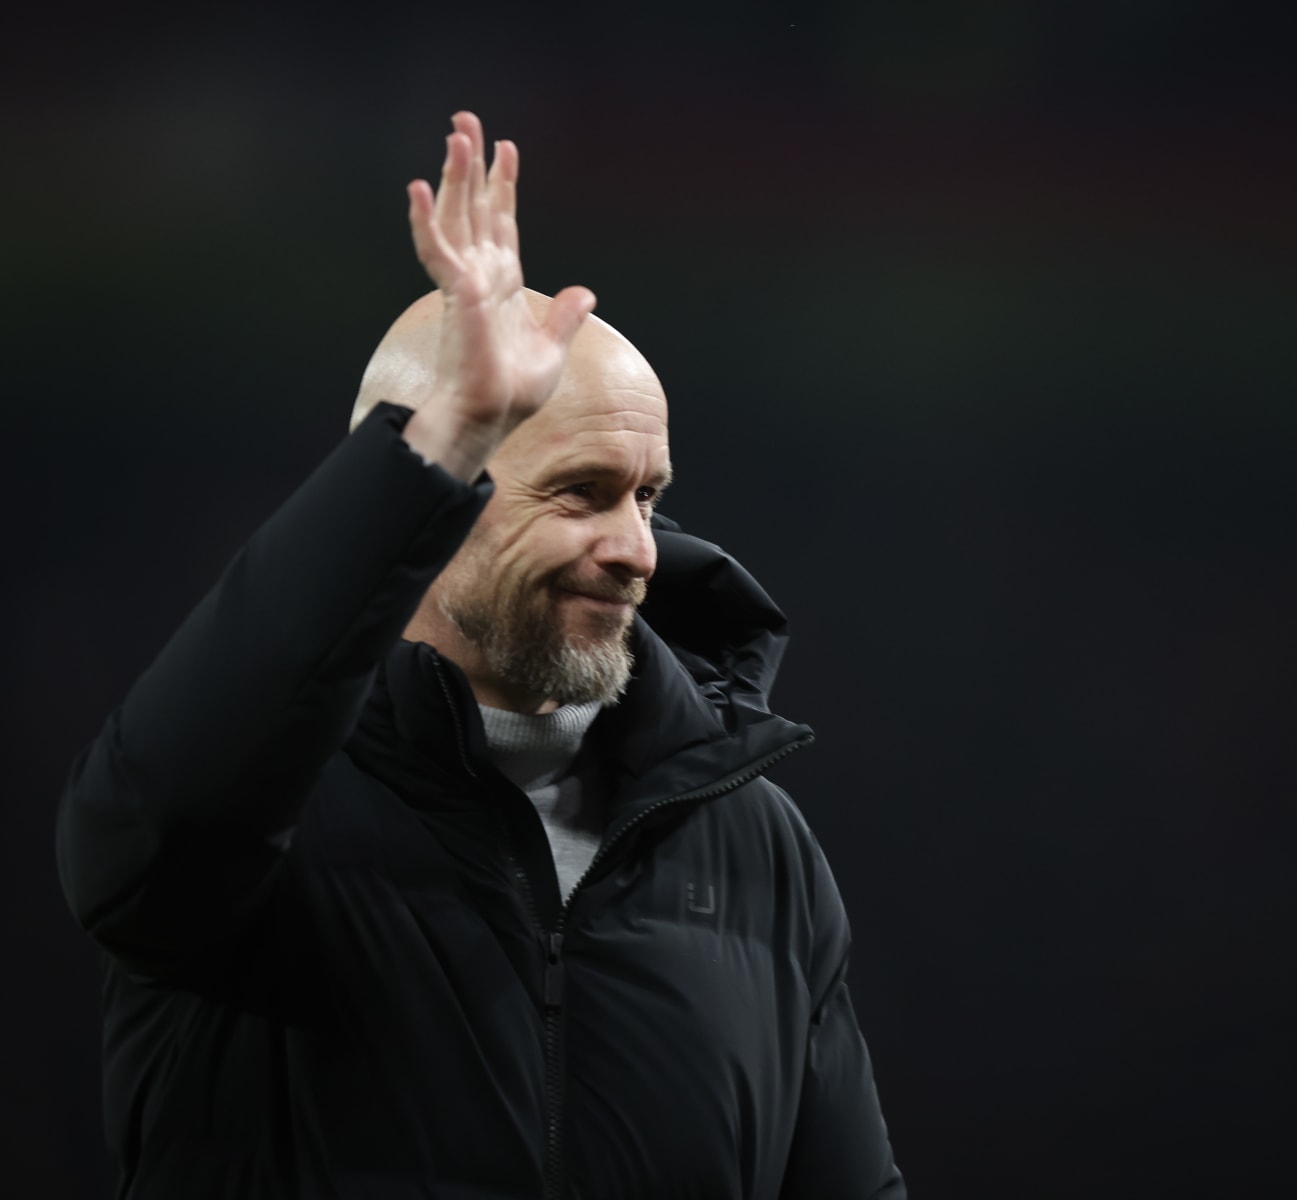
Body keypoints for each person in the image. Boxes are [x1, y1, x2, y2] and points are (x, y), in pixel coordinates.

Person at [55, 111, 905, 1199]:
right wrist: (448, 426)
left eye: (648, 498)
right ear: (433, 501)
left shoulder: (751, 844)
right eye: (582, 494)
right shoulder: (265, 801)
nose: (638, 549)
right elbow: (136, 834)